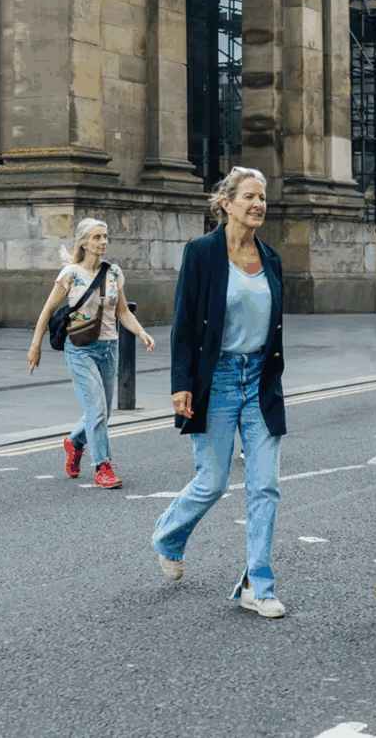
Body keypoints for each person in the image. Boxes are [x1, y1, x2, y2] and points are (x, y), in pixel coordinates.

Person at [151, 166, 289, 618]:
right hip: (218, 379)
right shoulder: (202, 254)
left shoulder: (271, 258)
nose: (258, 205)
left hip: (260, 381)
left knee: (265, 484)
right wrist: (181, 384)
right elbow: (185, 322)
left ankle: (257, 584)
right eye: (249, 196)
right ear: (226, 203)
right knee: (211, 482)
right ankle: (169, 537)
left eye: (263, 198)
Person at [27, 217, 155, 489]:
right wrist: (35, 346)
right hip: (80, 349)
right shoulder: (70, 273)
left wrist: (141, 332)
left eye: (105, 237)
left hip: (109, 348)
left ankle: (74, 442)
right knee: (96, 410)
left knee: (103, 413)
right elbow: (47, 311)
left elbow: (122, 311)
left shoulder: (114, 272)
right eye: (97, 237)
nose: (103, 242)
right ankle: (103, 467)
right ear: (84, 242)